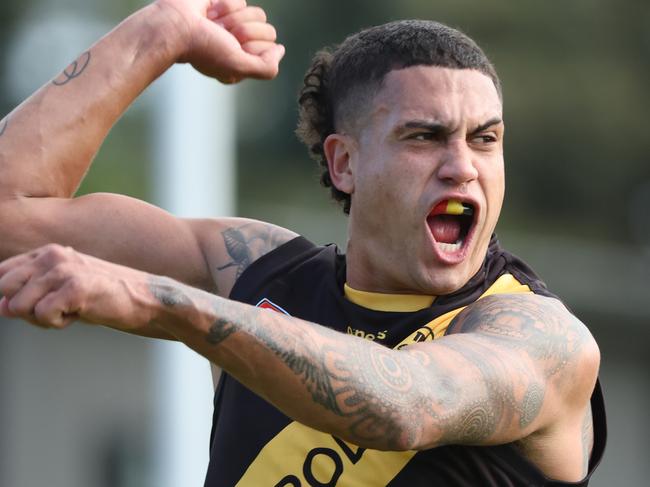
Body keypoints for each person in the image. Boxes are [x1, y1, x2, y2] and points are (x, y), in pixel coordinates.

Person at [0, 0, 606, 485]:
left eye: (485, 139)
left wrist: (159, 301)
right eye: (424, 137)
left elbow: (408, 404)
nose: (461, 166)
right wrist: (159, 33)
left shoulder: (538, 335)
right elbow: (10, 216)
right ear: (344, 163)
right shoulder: (263, 273)